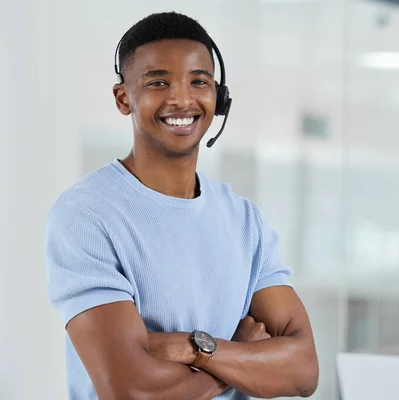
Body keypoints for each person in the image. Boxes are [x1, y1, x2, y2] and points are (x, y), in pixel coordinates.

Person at [45, 12, 318, 400]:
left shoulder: (244, 221)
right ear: (124, 98)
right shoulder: (86, 215)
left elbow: (304, 370)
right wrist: (237, 352)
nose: (182, 99)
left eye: (199, 82)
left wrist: (192, 348)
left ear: (219, 98)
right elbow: (133, 391)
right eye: (158, 82)